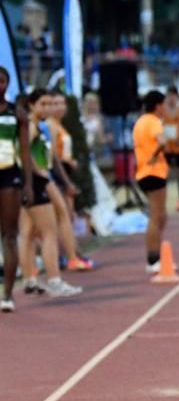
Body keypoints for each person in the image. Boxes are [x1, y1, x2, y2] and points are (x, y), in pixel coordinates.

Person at [18, 90, 81, 298]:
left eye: (49, 104)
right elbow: (24, 151)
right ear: (31, 105)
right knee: (49, 232)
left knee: (27, 232)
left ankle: (30, 279)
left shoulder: (35, 124)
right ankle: (54, 280)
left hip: (28, 181)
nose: (47, 108)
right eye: (42, 104)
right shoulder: (32, 125)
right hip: (35, 181)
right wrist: (39, 173)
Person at [46, 91, 94, 271]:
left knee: (67, 217)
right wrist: (66, 180)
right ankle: (69, 256)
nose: (59, 107)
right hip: (58, 175)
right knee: (63, 217)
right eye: (54, 103)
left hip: (65, 172)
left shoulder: (61, 125)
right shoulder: (51, 126)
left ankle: (73, 254)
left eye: (61, 103)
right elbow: (54, 157)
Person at [0, 71, 34, 311]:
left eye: (1, 81)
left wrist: (28, 184)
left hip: (8, 176)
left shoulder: (17, 115)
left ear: (7, 84)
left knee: (9, 235)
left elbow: (25, 152)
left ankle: (7, 295)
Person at [133, 90, 170, 274]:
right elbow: (162, 141)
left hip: (143, 172)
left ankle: (157, 255)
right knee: (156, 217)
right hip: (153, 172)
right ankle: (153, 259)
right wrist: (155, 156)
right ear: (158, 105)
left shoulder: (140, 122)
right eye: (164, 105)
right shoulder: (153, 121)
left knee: (160, 216)